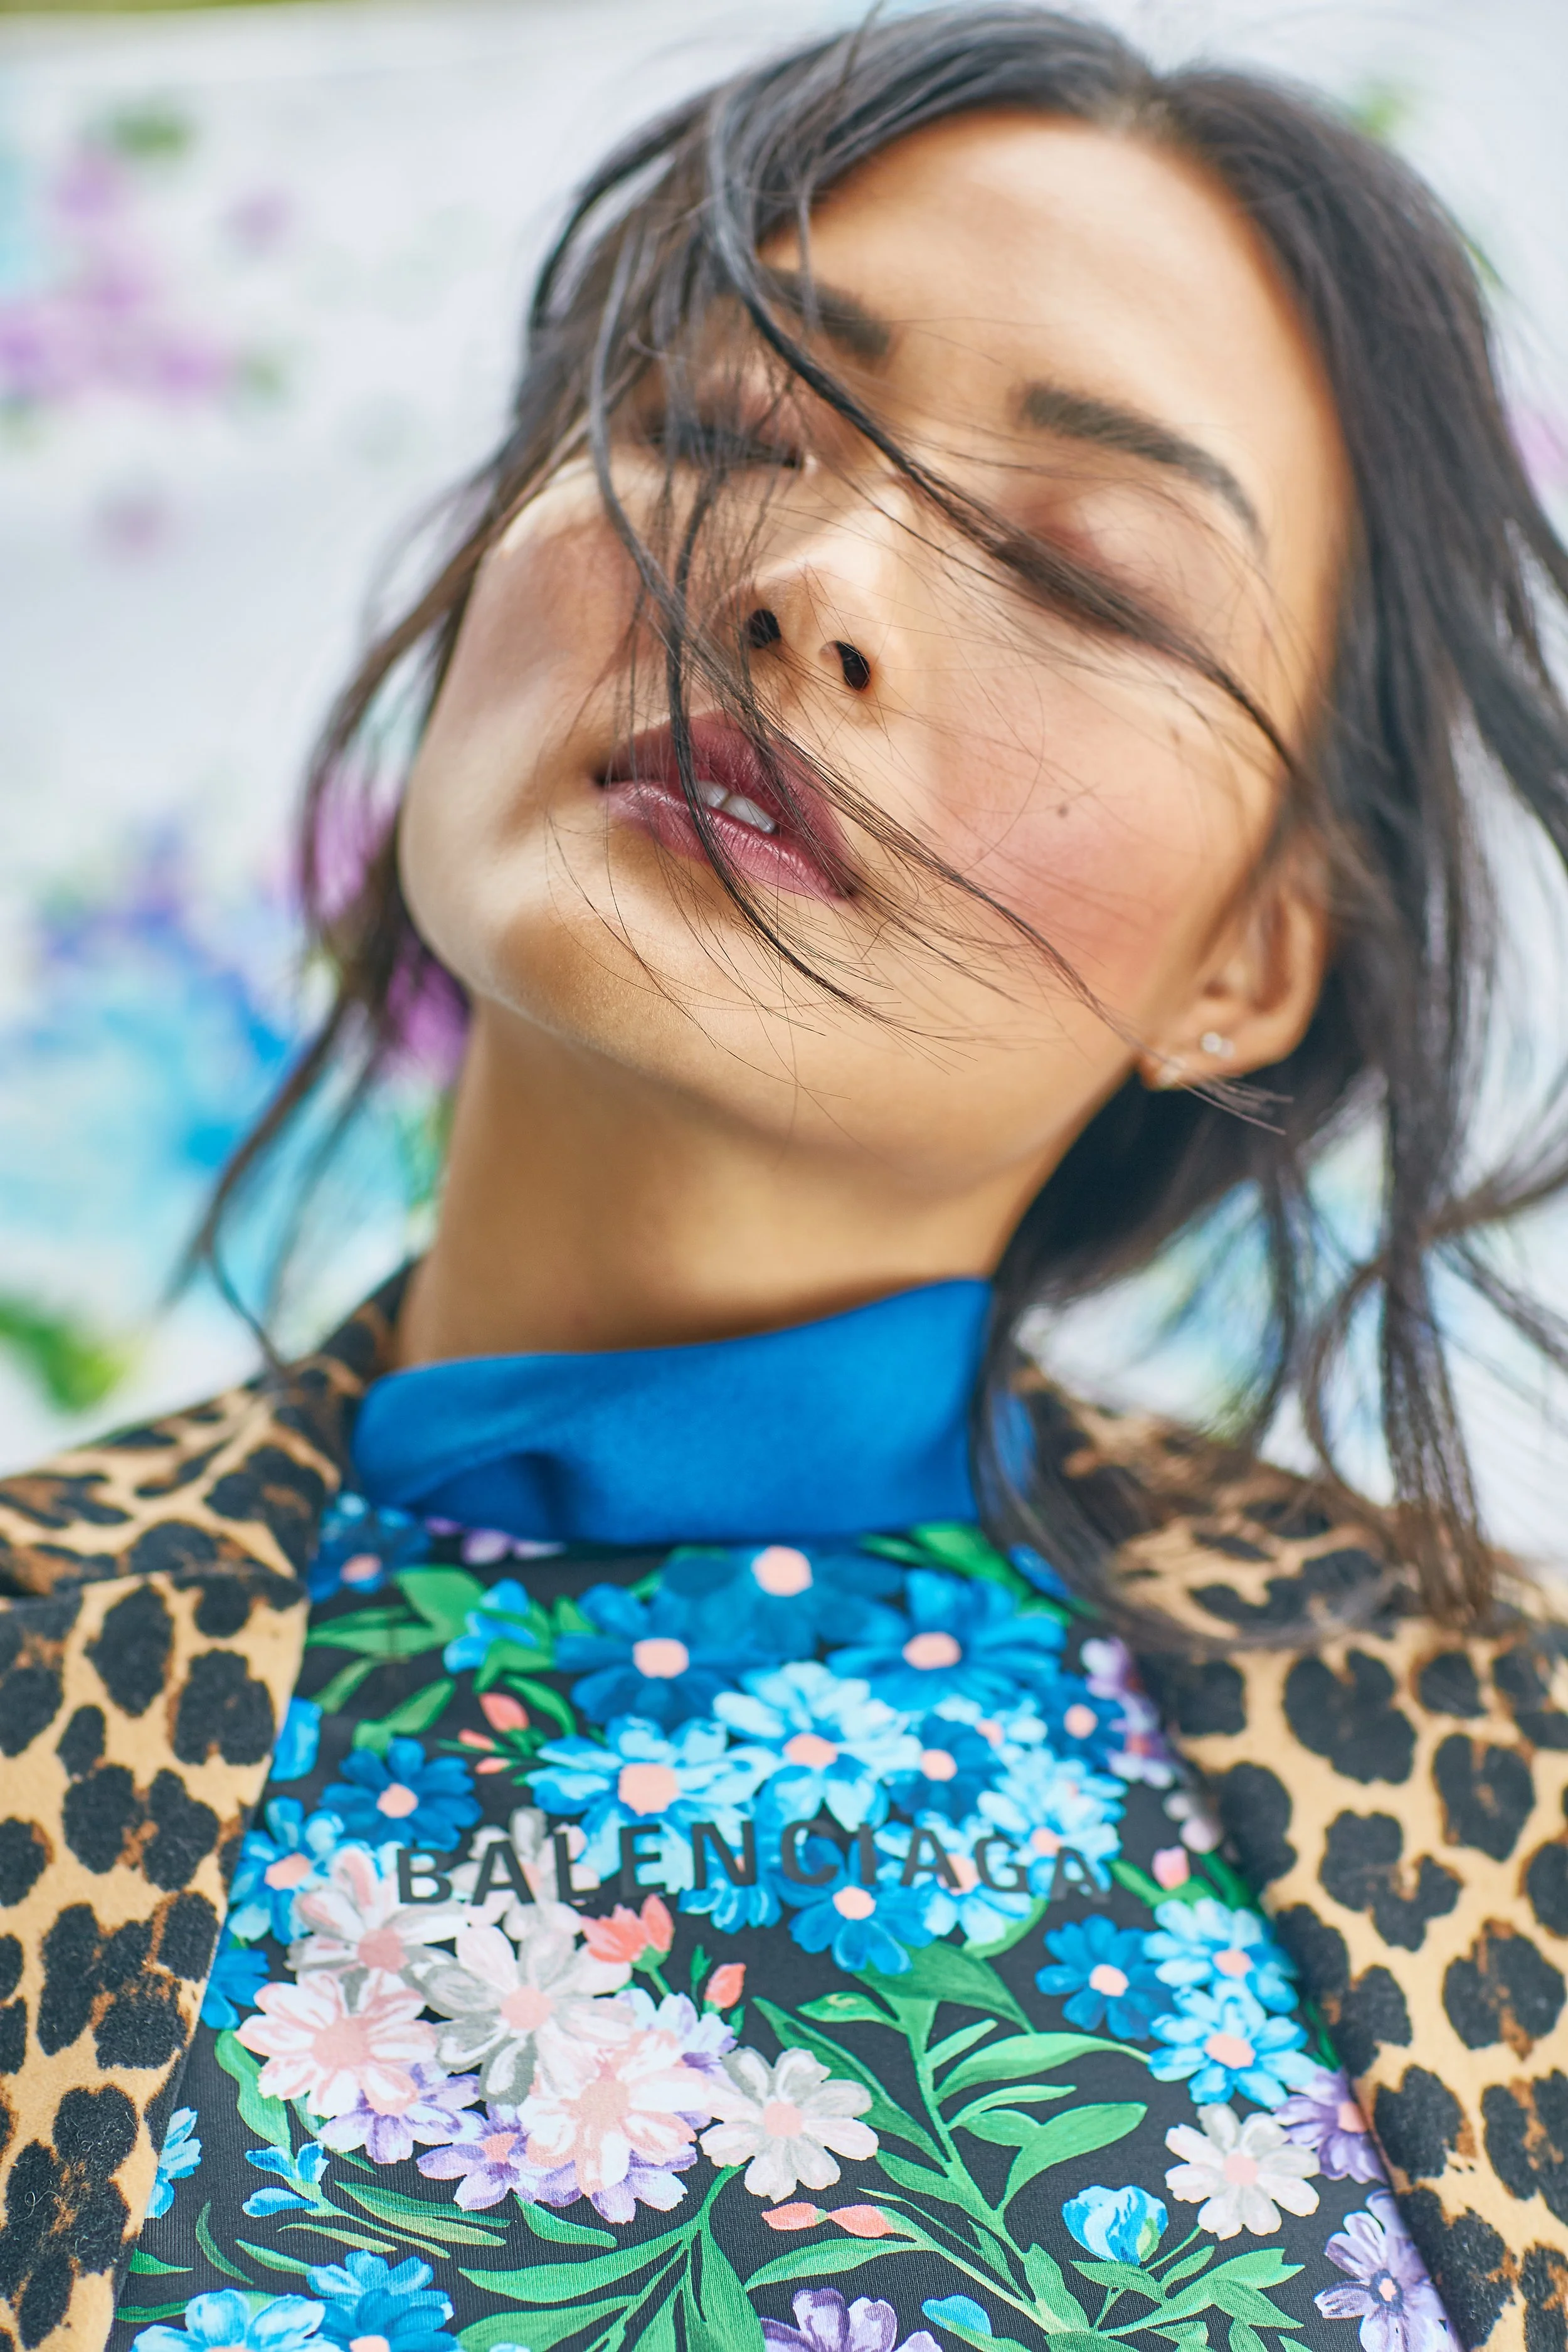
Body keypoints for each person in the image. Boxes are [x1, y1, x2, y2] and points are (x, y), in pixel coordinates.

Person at [3, 9, 1566, 2349]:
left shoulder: (1517, 1785)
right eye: (721, 423)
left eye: (1085, 578)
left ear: (1248, 957)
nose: (808, 584)